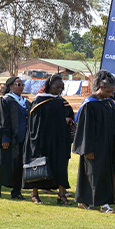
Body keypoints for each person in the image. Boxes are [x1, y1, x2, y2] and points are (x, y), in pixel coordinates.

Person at [73, 70, 115, 213]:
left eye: (112, 91)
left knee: (103, 174)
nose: (110, 94)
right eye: (108, 91)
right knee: (92, 174)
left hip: (106, 146)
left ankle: (84, 201)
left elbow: (113, 126)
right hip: (93, 147)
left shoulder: (108, 104)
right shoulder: (89, 104)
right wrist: (87, 149)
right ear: (100, 87)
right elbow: (84, 130)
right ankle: (103, 204)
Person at [24, 74, 74, 205]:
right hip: (42, 138)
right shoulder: (39, 100)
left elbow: (70, 114)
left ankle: (61, 195)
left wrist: (68, 120)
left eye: (61, 88)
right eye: (57, 87)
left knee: (61, 166)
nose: (59, 90)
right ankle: (34, 193)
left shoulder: (60, 101)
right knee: (38, 165)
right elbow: (35, 123)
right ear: (49, 86)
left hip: (59, 139)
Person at [0, 76, 31, 199]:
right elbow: (2, 121)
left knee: (20, 165)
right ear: (10, 86)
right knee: (6, 163)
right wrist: (5, 137)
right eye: (18, 84)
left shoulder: (25, 102)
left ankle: (16, 191)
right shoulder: (5, 100)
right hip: (10, 139)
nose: (21, 87)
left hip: (23, 138)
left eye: (22, 85)